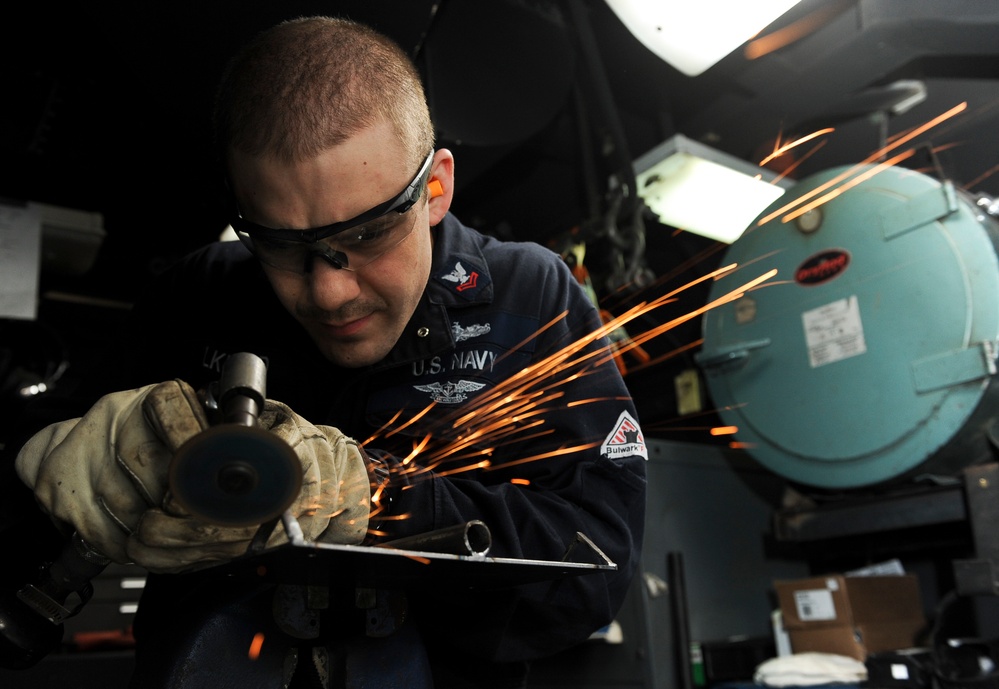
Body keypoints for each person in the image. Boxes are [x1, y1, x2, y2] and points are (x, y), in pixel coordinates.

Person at [8, 15, 647, 688]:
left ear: (435, 188)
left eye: (370, 233)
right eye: (283, 246)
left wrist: (374, 500)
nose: (330, 291)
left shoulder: (528, 297)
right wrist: (59, 464)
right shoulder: (198, 294)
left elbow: (592, 573)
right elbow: (28, 516)